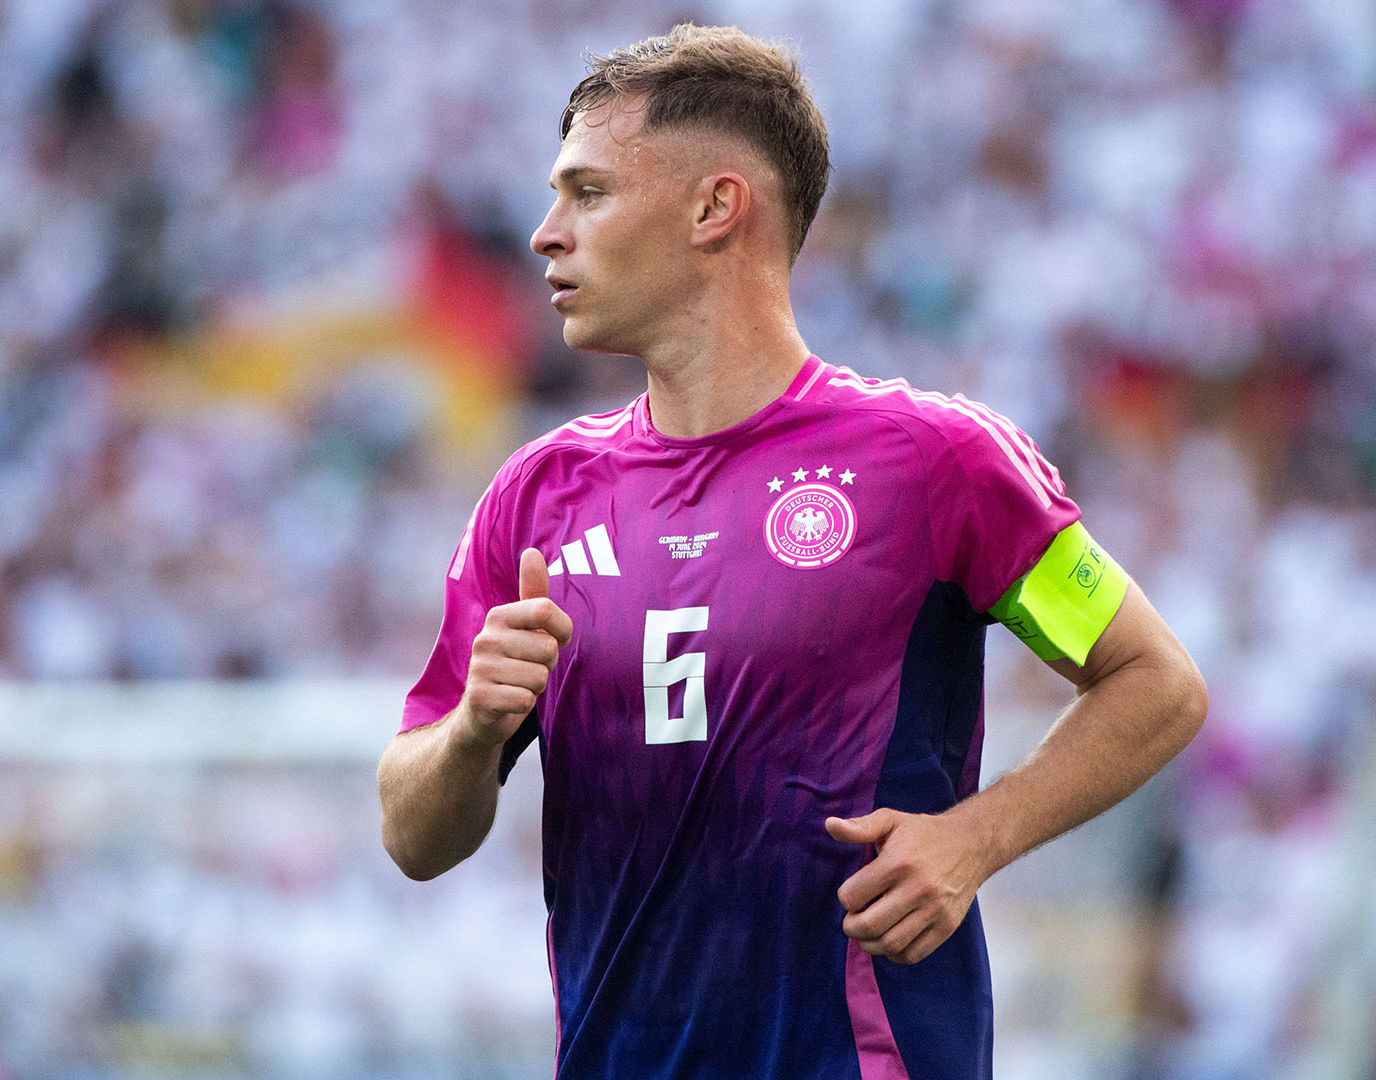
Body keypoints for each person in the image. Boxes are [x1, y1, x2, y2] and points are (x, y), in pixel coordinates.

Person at [376, 23, 1208, 1080]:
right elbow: (414, 836)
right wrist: (471, 733)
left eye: (587, 192)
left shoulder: (932, 461)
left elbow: (1157, 682)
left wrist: (977, 838)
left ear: (715, 208)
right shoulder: (535, 498)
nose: (545, 233)